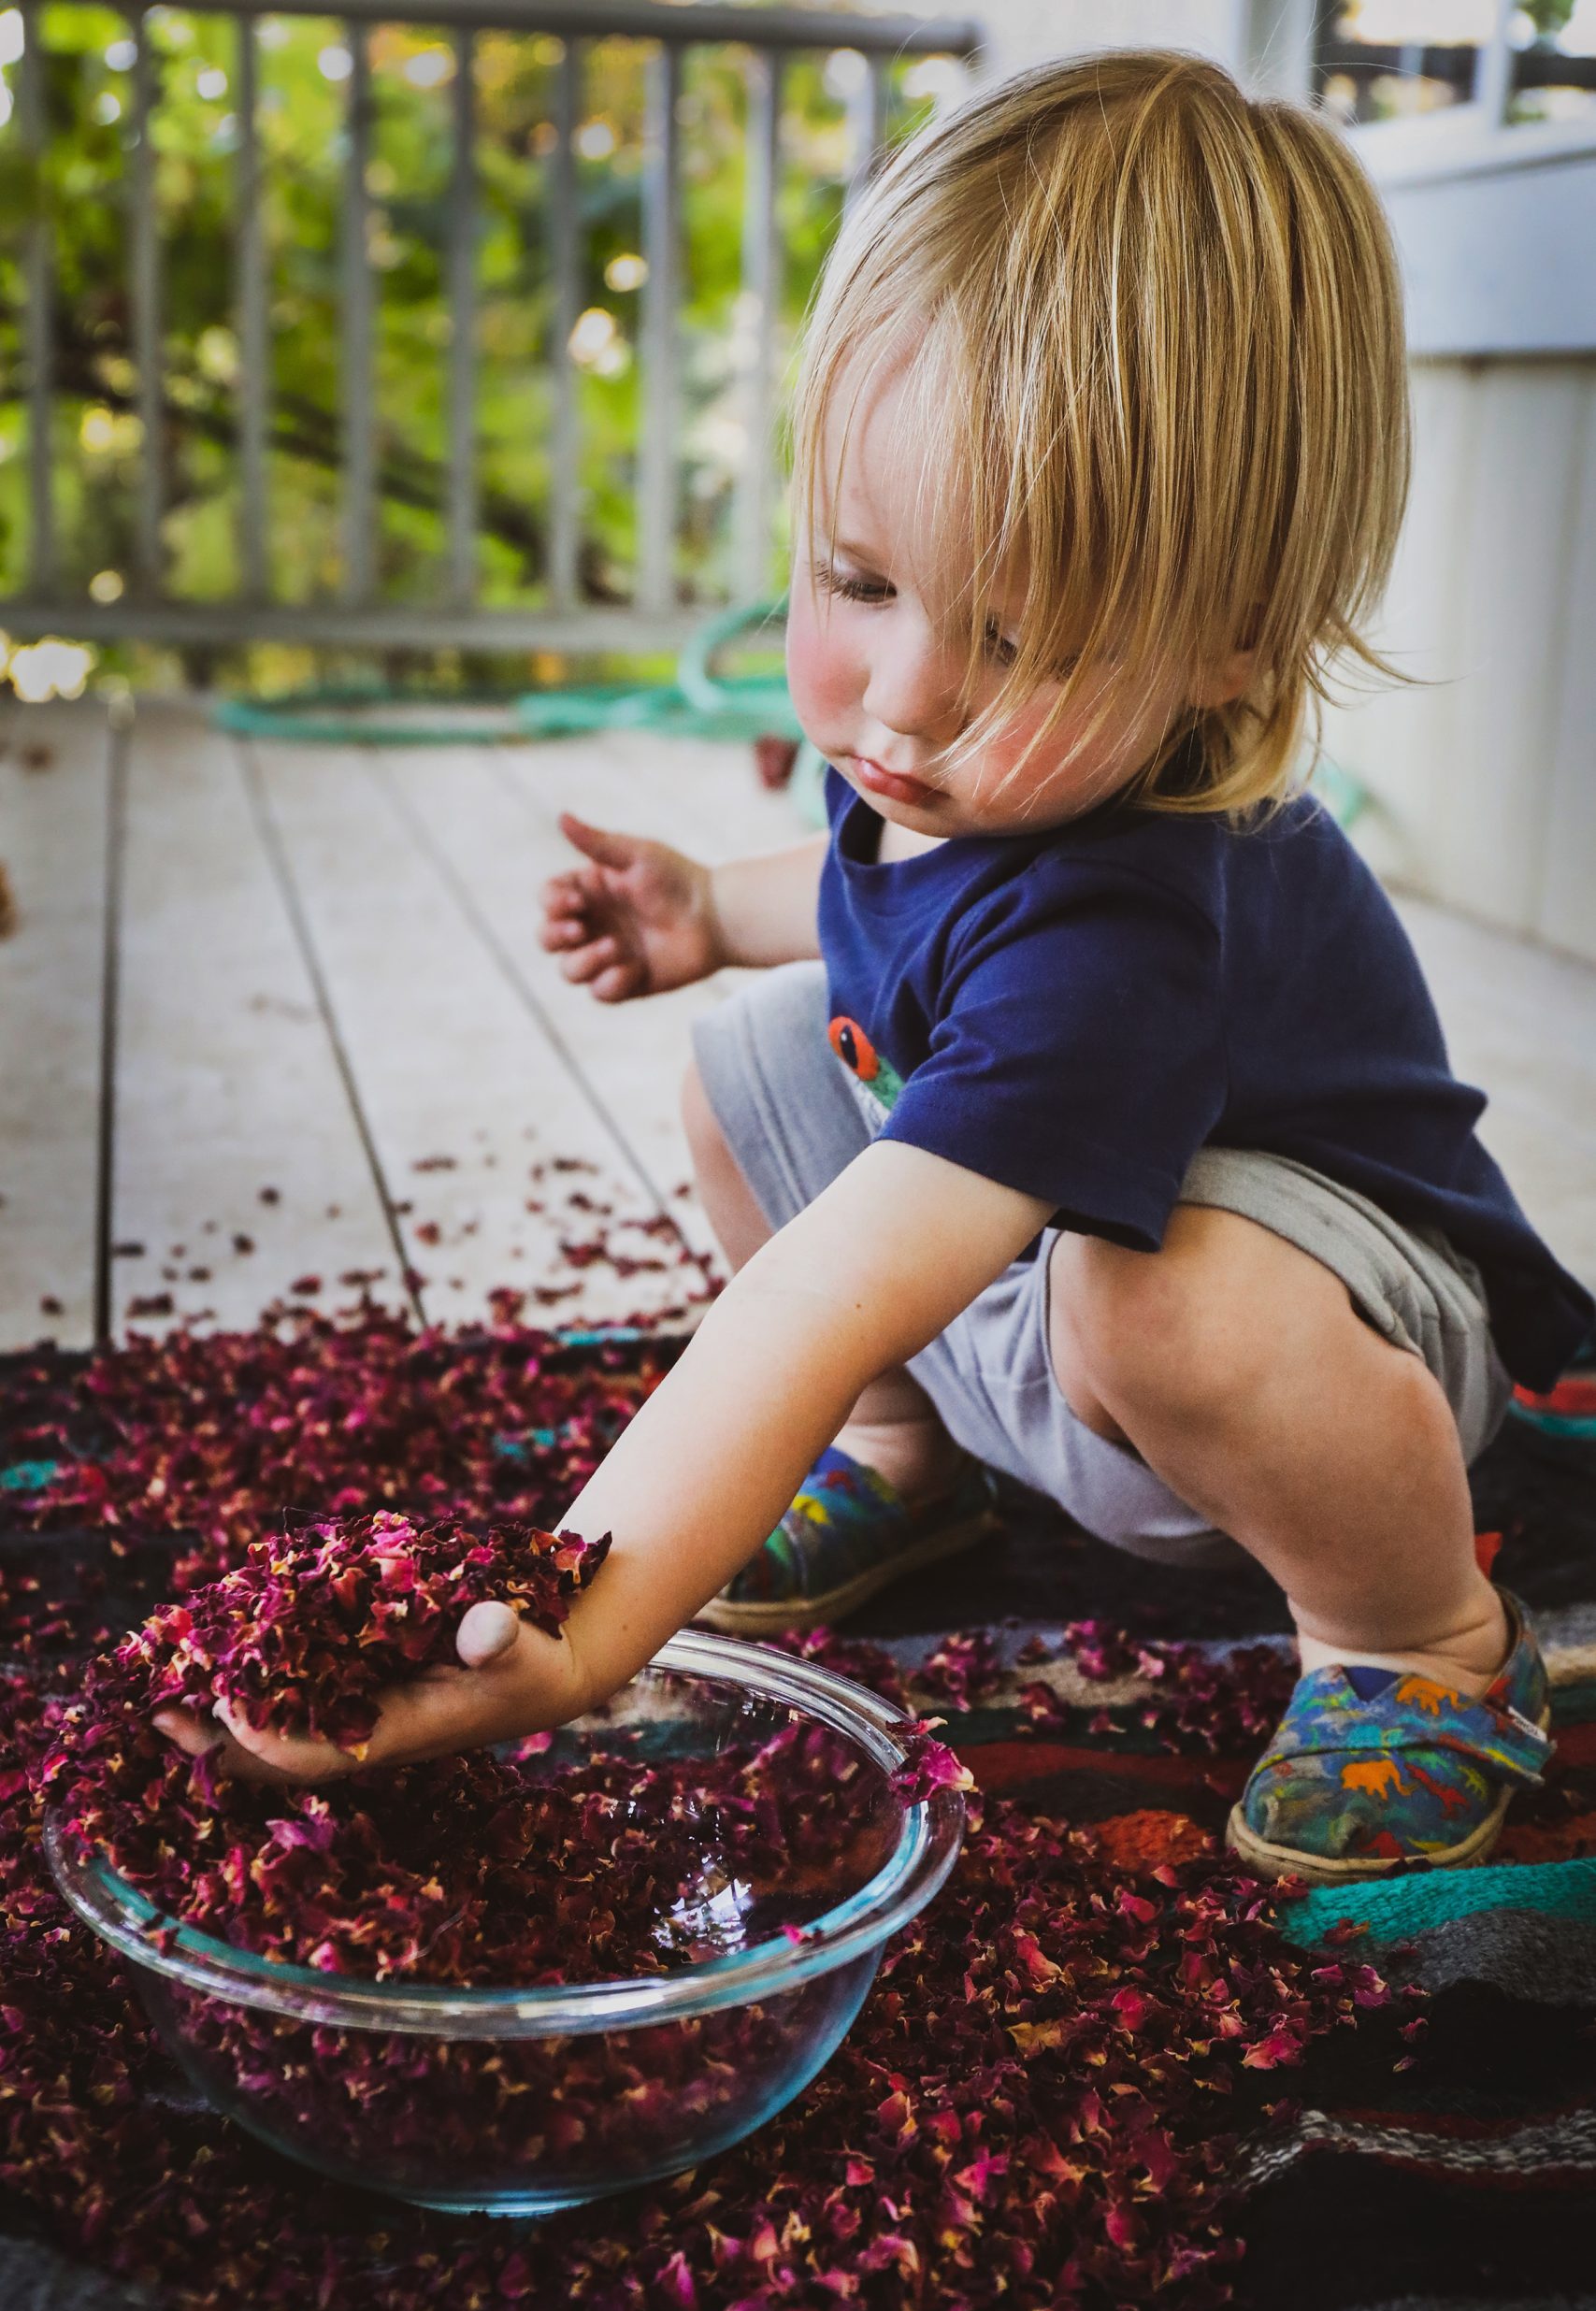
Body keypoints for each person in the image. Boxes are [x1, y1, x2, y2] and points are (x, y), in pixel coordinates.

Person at [161, 50, 1592, 1882]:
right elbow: (880, 906)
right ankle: (902, 1463)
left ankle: (1417, 1645)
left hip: (1326, 1375)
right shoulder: (978, 773)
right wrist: (708, 909)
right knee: (751, 1053)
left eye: (1013, 632)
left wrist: (582, 1610)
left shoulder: (1128, 927)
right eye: (851, 578)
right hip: (1064, 1317)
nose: (903, 697)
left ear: (1231, 639)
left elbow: (825, 1284)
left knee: (1165, 1295)